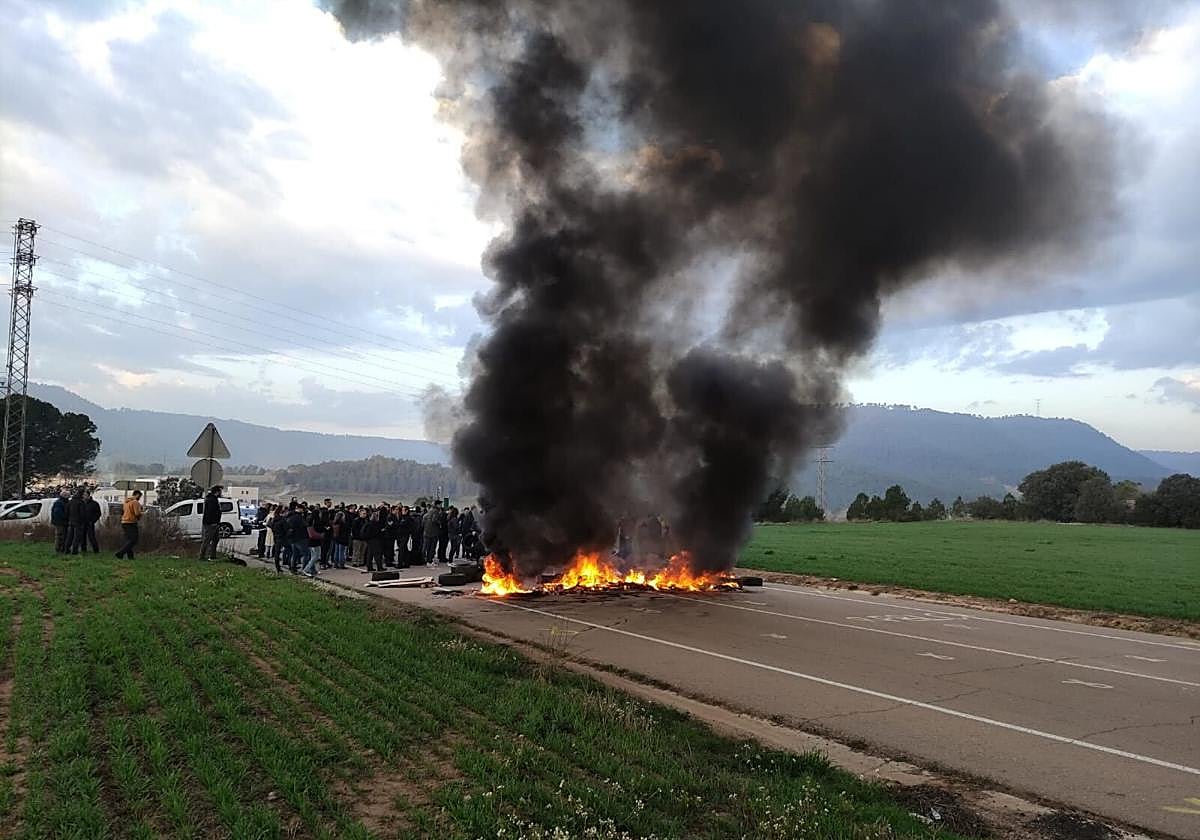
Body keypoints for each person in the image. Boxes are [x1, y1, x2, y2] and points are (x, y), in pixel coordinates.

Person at [115, 490, 144, 559]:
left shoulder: (126, 502)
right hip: (131, 522)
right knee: (134, 539)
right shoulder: (135, 502)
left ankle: (130, 557)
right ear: (137, 495)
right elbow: (137, 513)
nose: (139, 498)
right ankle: (120, 553)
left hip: (124, 522)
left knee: (129, 540)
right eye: (139, 496)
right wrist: (143, 513)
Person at [199, 486, 224, 561]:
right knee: (207, 539)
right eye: (220, 491)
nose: (221, 493)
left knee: (216, 539)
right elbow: (210, 512)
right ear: (217, 492)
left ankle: (213, 555)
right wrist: (212, 522)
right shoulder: (211, 500)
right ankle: (202, 556)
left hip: (215, 523)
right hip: (211, 523)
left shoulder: (214, 499)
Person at [66, 489, 86, 555]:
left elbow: (67, 511)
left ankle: (67, 549)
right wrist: (82, 521)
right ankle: (74, 551)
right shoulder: (81, 502)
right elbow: (82, 513)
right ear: (82, 494)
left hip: (71, 521)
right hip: (78, 522)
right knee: (76, 537)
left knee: (70, 536)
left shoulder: (71, 501)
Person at [51, 489, 70, 553]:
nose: (69, 497)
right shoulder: (59, 503)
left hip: (62, 522)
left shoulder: (63, 502)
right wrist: (66, 517)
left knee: (63, 536)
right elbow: (58, 513)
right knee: (59, 536)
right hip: (59, 522)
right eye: (68, 495)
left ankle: (62, 549)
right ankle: (58, 549)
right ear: (65, 496)